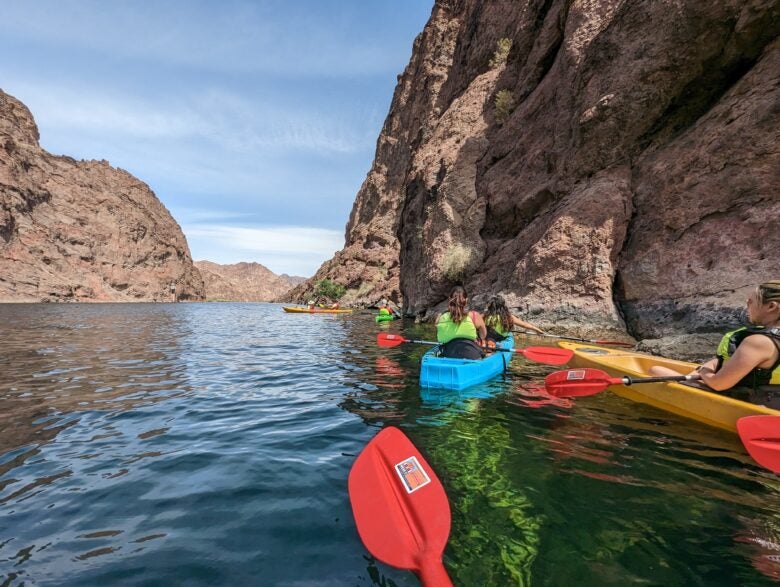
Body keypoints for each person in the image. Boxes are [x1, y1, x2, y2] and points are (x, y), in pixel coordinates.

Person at [649, 280, 780, 406]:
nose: (747, 304)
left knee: (656, 370)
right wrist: (708, 367)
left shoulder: (759, 342)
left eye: (750, 302)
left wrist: (702, 371)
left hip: (749, 401)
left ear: (771, 306)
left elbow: (718, 384)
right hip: (771, 399)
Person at [435, 285, 487, 359]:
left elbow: (439, 335)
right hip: (471, 354)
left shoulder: (440, 317)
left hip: (447, 354)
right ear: (466, 300)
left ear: (449, 299)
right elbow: (483, 336)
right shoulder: (474, 316)